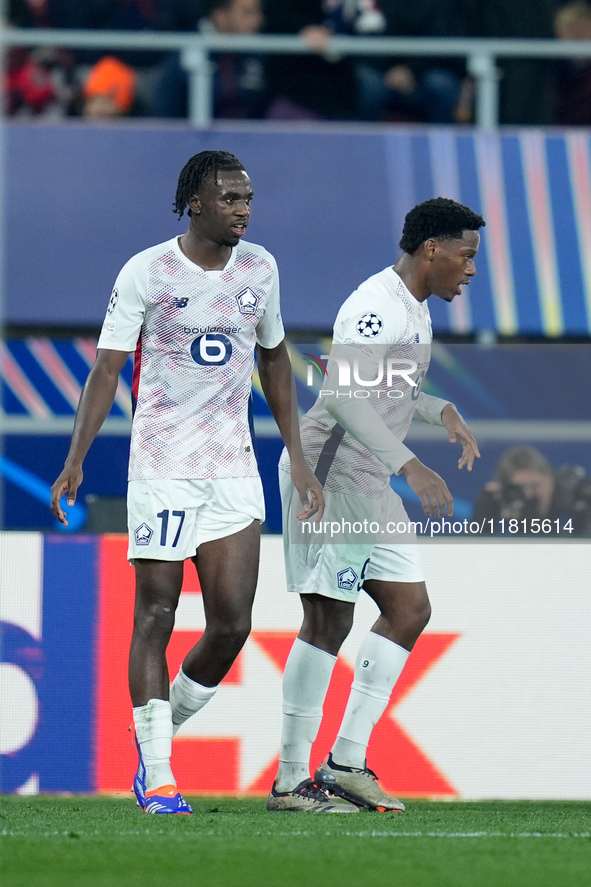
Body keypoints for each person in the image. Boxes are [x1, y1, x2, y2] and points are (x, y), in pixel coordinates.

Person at [50, 150, 324, 815]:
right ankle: (160, 774)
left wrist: (300, 455)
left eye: (248, 198)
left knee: (232, 624)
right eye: (229, 198)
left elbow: (275, 365)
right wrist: (75, 458)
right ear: (194, 203)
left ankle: (154, 738)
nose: (243, 209)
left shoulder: (261, 268)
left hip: (233, 469)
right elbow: (107, 370)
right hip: (163, 468)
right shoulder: (147, 271)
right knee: (155, 612)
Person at [268, 197, 484, 813]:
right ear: (431, 250)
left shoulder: (415, 307)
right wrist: (409, 464)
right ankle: (289, 783)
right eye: (466, 258)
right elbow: (341, 395)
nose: (471, 271)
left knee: (410, 607)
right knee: (328, 621)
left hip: (368, 481)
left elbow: (386, 391)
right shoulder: (373, 307)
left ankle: (346, 763)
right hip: (329, 475)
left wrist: (438, 408)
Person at [150, 0, 267, 119]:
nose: (259, 20)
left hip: (248, 135)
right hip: (190, 135)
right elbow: (164, 116)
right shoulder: (183, 55)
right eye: (248, 13)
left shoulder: (257, 52)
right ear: (220, 17)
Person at [473, 445, 591, 536]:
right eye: (519, 489)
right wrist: (485, 512)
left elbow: (579, 552)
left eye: (535, 486)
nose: (529, 494)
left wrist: (532, 523)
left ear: (550, 481)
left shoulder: (580, 496)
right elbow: (473, 553)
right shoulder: (500, 497)